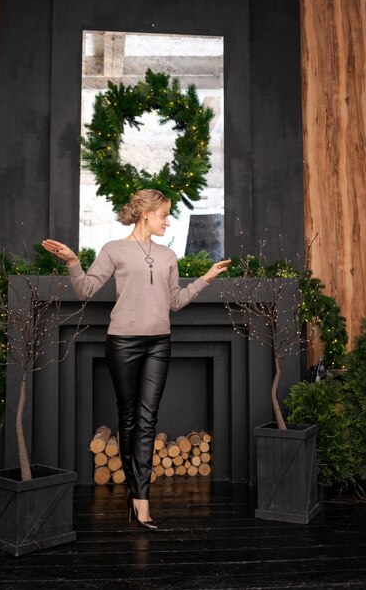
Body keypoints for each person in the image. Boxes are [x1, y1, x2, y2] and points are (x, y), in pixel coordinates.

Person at [42, 189, 230, 530]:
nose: (167, 221)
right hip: (123, 343)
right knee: (128, 420)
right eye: (163, 215)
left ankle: (141, 502)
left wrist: (205, 279)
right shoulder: (114, 250)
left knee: (147, 420)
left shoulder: (169, 255)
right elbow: (85, 290)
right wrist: (72, 261)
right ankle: (134, 492)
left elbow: (174, 302)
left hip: (160, 342)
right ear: (146, 214)